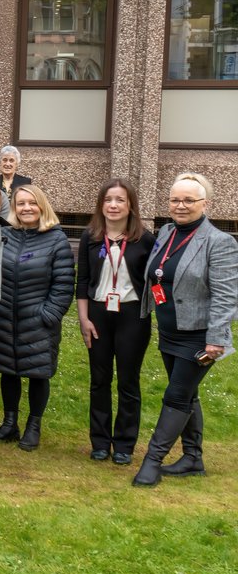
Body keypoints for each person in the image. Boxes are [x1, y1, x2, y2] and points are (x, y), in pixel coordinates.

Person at [133, 173, 238, 487]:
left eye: (189, 200)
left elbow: (226, 294)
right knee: (188, 395)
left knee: (176, 396)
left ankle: (152, 461)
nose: (180, 206)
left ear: (205, 203)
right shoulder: (166, 231)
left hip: (199, 336)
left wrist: (217, 339)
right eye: (175, 199)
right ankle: (193, 457)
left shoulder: (220, 242)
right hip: (169, 331)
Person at [0, 184, 74, 452]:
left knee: (38, 374)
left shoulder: (56, 239)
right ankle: (9, 422)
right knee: (8, 372)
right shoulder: (5, 234)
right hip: (3, 318)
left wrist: (49, 314)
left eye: (31, 203)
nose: (26, 208)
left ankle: (34, 425)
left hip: (38, 320)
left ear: (42, 206)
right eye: (20, 204)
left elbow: (64, 283)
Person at [76, 178, 155, 465]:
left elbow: (154, 281)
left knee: (128, 381)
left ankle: (124, 444)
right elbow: (82, 280)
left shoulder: (145, 239)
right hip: (97, 314)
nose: (113, 205)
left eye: (120, 199)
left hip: (132, 315)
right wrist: (83, 319)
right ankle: (99, 441)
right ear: (101, 204)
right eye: (108, 199)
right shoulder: (91, 236)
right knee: (99, 380)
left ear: (131, 205)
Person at [0, 145, 32, 210]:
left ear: (17, 163)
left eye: (11, 160)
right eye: (4, 160)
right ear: (0, 162)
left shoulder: (25, 182)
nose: (7, 164)